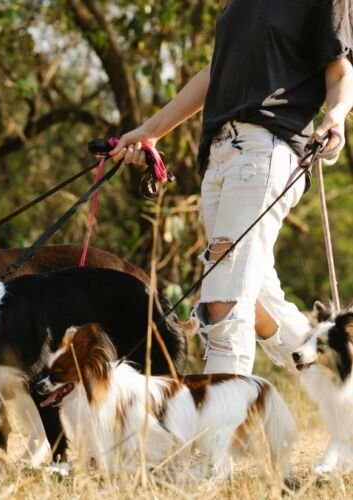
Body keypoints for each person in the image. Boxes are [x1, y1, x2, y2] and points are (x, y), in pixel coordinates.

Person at [111, 0, 353, 375]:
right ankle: (339, 375)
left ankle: (217, 429)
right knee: (255, 297)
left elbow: (339, 70)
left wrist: (335, 118)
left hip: (266, 148)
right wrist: (149, 132)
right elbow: (214, 73)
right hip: (218, 154)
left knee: (223, 300)